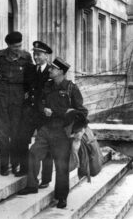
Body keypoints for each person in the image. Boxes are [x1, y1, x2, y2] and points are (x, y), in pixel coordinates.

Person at [18, 57, 88, 209]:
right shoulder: (47, 86)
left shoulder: (71, 88)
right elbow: (39, 101)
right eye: (50, 68)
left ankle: (62, 196)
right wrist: (43, 109)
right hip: (45, 128)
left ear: (61, 72)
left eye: (53, 69)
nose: (50, 70)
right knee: (33, 153)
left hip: (62, 131)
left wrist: (76, 132)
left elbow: (82, 112)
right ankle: (32, 185)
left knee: (61, 165)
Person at [0, 32, 33, 176]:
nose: (18, 49)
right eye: (15, 46)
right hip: (2, 94)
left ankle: (15, 164)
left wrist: (28, 94)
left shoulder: (26, 56)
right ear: (8, 45)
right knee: (3, 133)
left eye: (20, 45)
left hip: (18, 95)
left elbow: (31, 76)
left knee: (15, 132)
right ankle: (4, 166)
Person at [14, 41, 53, 181]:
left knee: (46, 145)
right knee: (22, 139)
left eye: (39, 54)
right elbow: (25, 88)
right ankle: (25, 169)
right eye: (34, 54)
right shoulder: (30, 70)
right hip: (29, 112)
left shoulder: (52, 71)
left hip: (44, 115)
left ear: (46, 56)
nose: (36, 57)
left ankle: (46, 177)